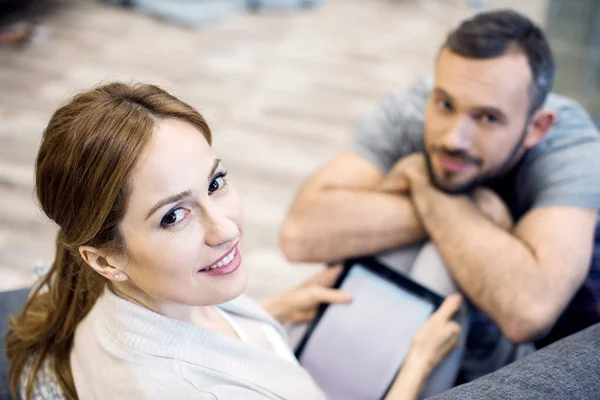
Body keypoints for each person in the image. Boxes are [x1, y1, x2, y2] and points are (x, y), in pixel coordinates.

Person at [5, 82, 462, 400]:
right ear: (104, 261)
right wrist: (416, 367)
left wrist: (268, 313)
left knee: (406, 264)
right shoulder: (189, 390)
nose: (224, 228)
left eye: (216, 181)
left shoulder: (135, 294)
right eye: (174, 215)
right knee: (440, 275)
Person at [280, 9, 600, 382]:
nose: (452, 139)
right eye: (445, 104)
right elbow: (300, 235)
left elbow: (528, 311)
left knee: (436, 257)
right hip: (421, 341)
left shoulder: (571, 148)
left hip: (550, 362)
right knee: (382, 251)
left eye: (487, 118)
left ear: (536, 128)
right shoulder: (414, 107)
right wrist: (467, 206)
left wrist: (420, 183)